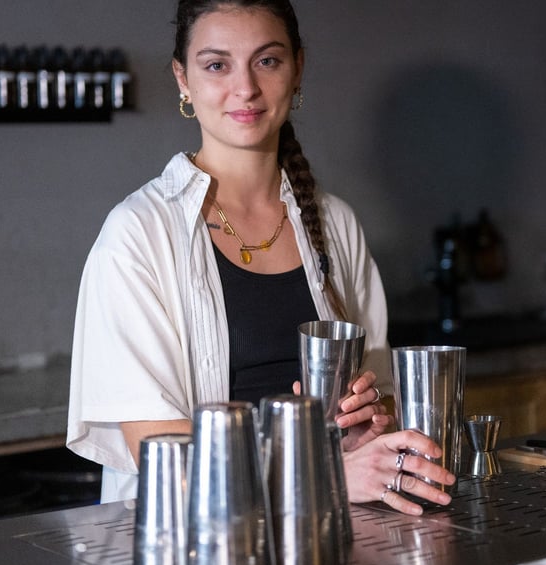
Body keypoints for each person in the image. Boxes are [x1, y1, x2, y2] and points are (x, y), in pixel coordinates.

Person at [66, 0, 455, 516]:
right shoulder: (137, 234)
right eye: (216, 65)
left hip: (326, 533)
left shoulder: (335, 223)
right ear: (183, 79)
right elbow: (161, 451)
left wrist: (369, 419)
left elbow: (378, 398)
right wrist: (326, 473)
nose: (245, 88)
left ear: (298, 68)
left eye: (267, 61)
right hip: (194, 545)